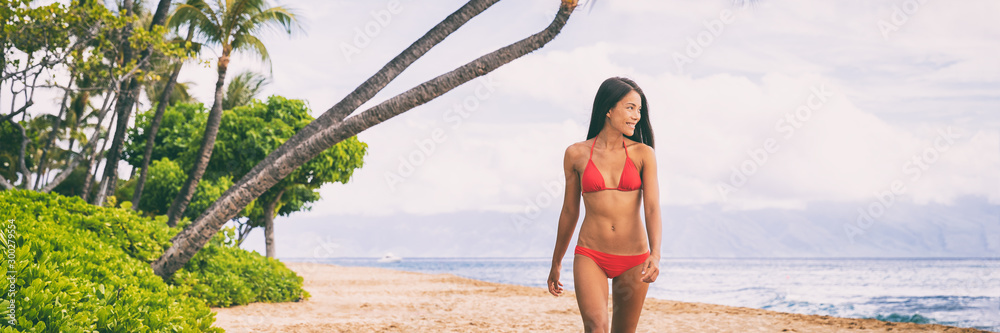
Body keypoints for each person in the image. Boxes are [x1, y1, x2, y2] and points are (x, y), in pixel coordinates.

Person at [547, 77, 661, 333]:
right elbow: (569, 211)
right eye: (630, 107)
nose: (636, 116)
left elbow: (652, 207)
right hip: (591, 255)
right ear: (608, 109)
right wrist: (556, 261)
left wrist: (655, 254)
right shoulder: (575, 154)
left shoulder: (644, 154)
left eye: (639, 110)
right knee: (596, 328)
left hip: (634, 259)